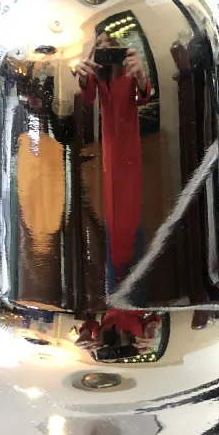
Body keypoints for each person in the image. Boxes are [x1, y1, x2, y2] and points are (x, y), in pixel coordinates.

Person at [73, 36, 151, 294]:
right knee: (109, 211)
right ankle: (112, 286)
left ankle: (135, 286)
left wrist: (140, 75)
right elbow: (87, 98)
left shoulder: (129, 72)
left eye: (109, 47)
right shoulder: (96, 76)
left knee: (130, 211)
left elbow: (145, 97)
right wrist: (83, 74)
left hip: (130, 152)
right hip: (107, 153)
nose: (105, 51)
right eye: (100, 46)